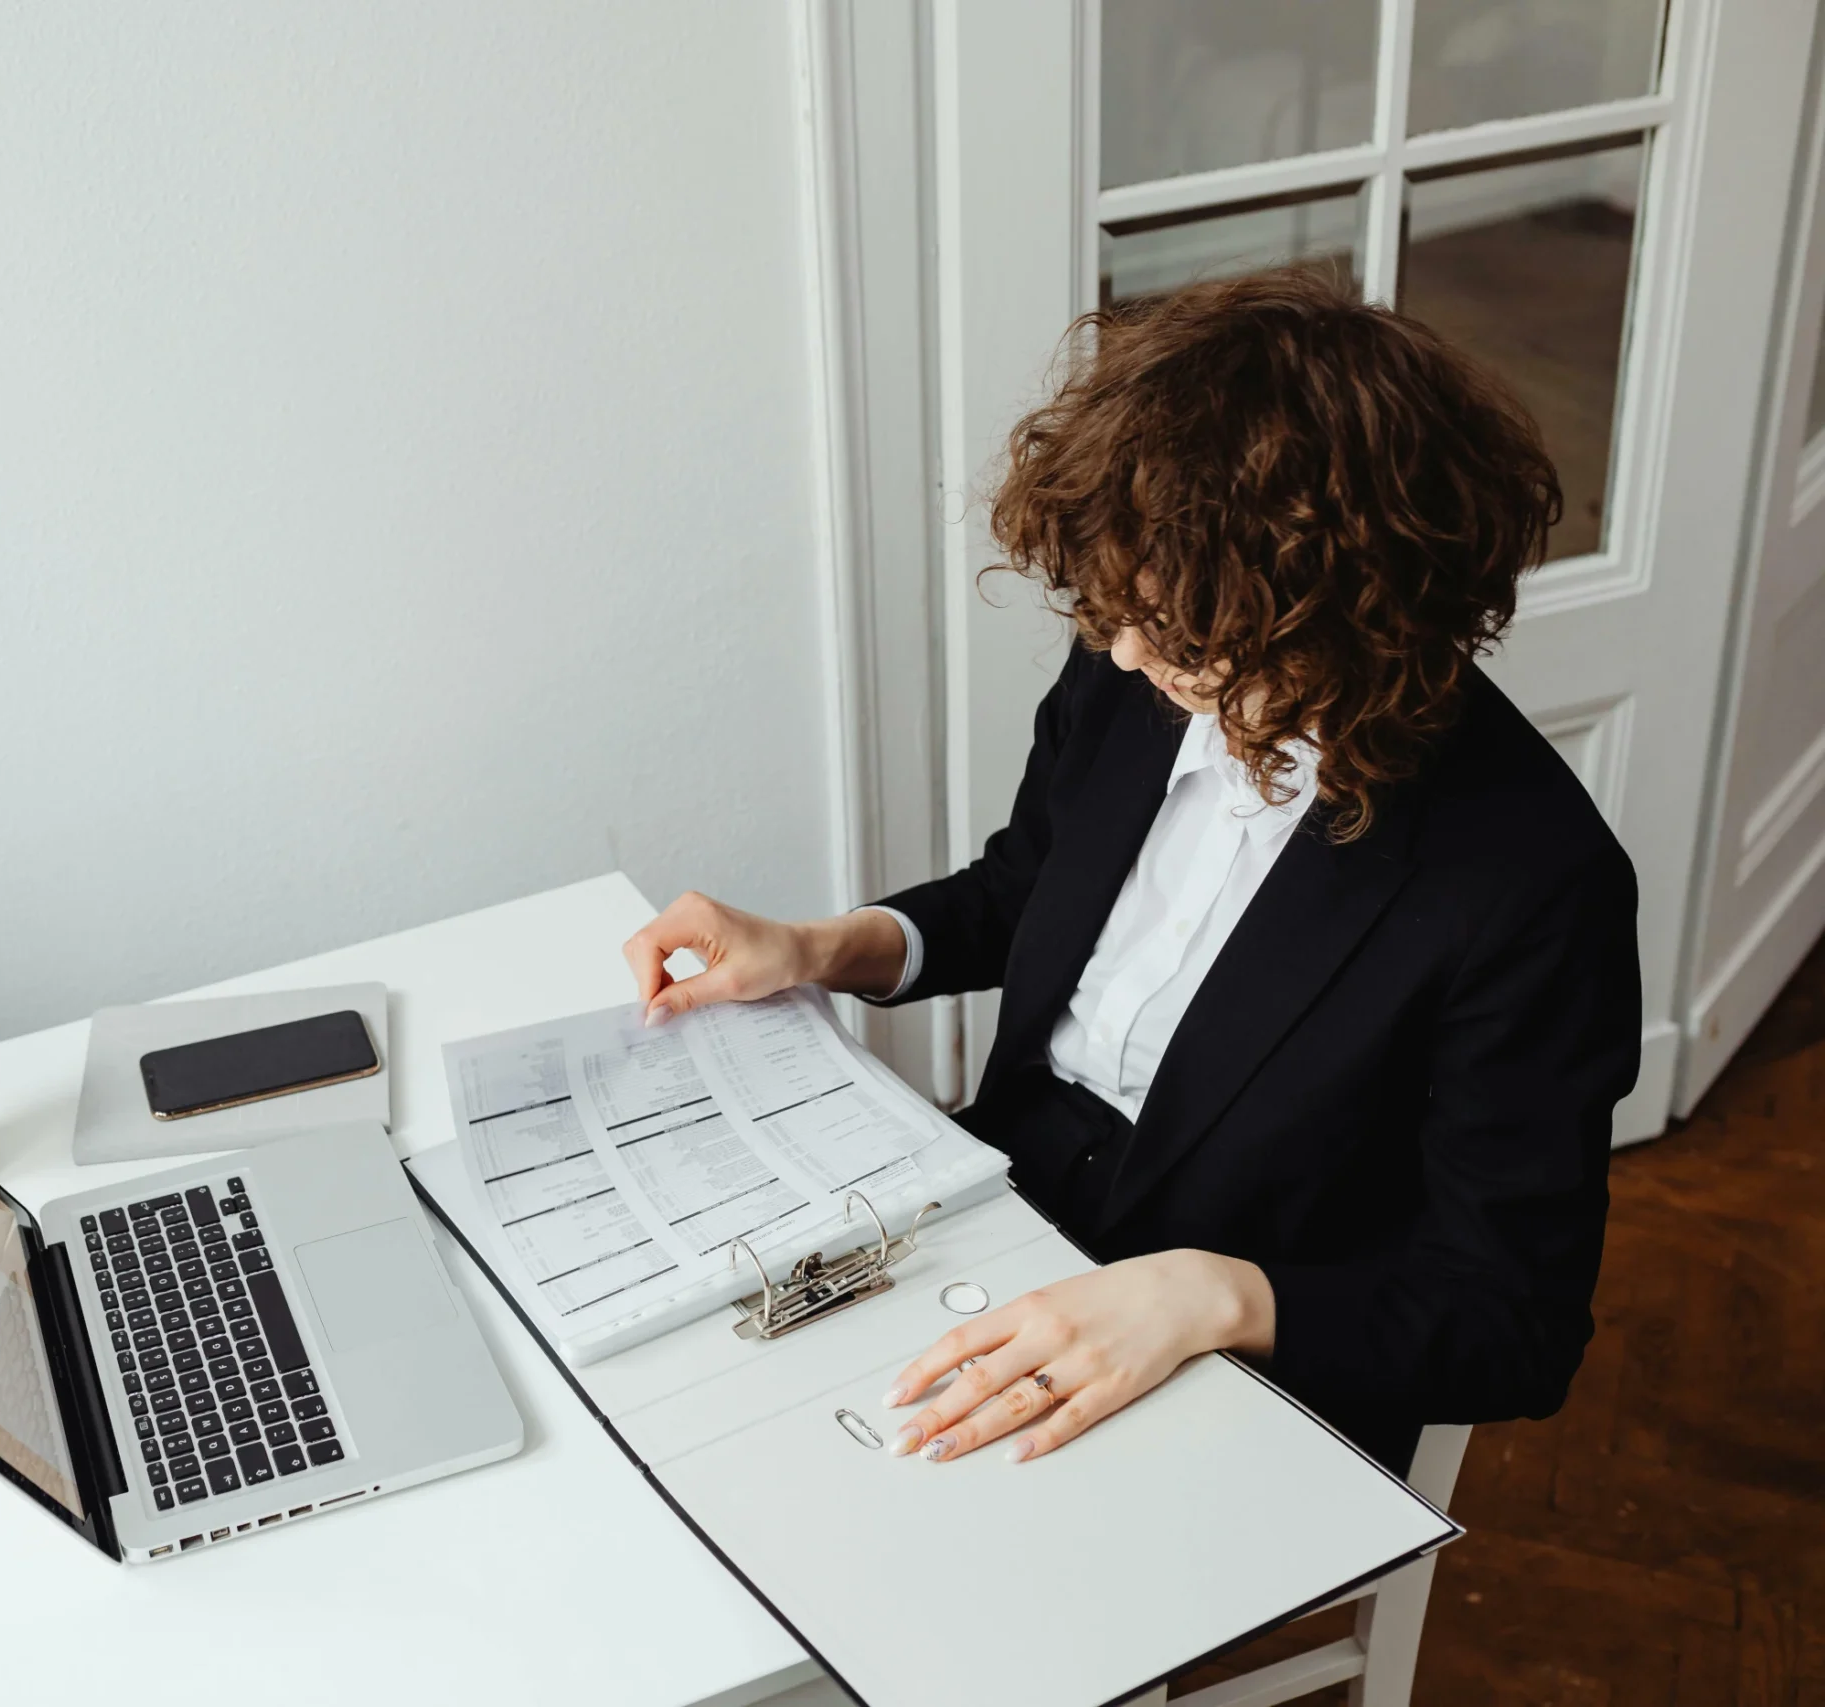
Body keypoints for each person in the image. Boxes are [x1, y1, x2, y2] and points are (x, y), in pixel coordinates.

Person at [623, 268, 1640, 1477]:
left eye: (1177, 632)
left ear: (1353, 617)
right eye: (1115, 609)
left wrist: (1212, 1300)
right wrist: (825, 948)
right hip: (1001, 1203)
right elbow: (1030, 889)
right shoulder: (1147, 647)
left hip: (1240, 1344)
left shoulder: (1532, 882)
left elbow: (1507, 1325)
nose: (1117, 647)